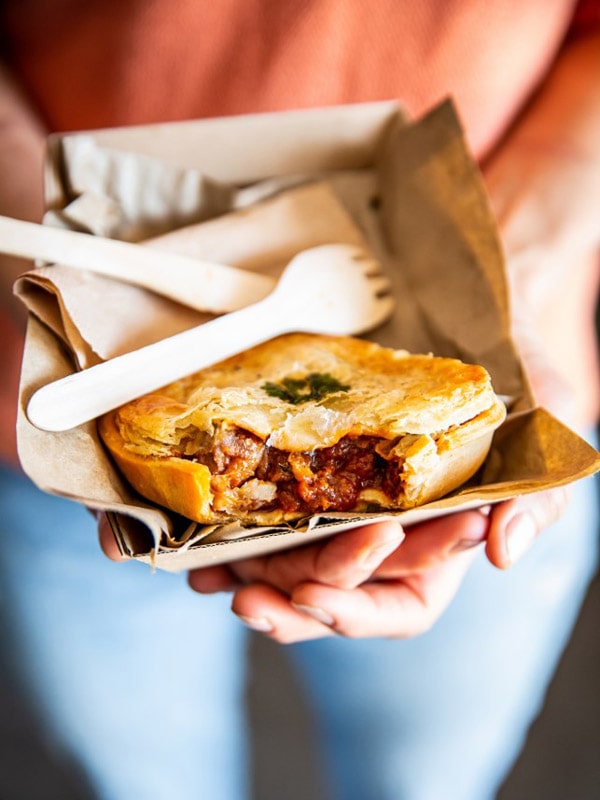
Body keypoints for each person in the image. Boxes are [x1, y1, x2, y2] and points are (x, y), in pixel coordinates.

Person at [0, 2, 599, 798]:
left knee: (425, 779)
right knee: (140, 777)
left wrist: (504, 269)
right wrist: (52, 260)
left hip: (486, 441)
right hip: (61, 432)